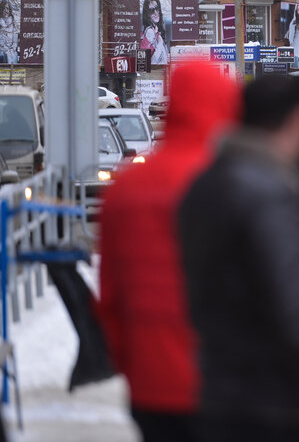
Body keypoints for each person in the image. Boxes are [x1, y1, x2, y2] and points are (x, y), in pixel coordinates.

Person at [178, 74, 299, 442]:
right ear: (298, 120)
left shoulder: (204, 186)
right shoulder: (273, 194)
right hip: (275, 399)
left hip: (215, 389)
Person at [96, 60, 240, 442]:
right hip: (227, 386)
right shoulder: (238, 184)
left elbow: (110, 297)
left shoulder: (126, 188)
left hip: (151, 386)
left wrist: (132, 365)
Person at [140, 0, 169, 65]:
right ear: (147, 14)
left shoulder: (157, 31)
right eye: (152, 10)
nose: (156, 13)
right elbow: (150, 63)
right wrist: (160, 43)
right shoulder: (150, 32)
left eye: (157, 8)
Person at [0, 0, 19, 64]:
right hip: (1, 50)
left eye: (7, 8)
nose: (6, 10)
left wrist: (12, 49)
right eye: (4, 8)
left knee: (12, 56)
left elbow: (15, 41)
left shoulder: (13, 24)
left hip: (11, 50)